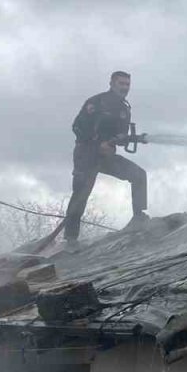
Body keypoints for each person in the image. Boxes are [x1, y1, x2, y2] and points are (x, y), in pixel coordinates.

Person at [61, 70, 148, 244]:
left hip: (106, 157)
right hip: (86, 155)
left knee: (139, 175)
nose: (125, 87)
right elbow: (77, 127)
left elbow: (119, 136)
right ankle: (70, 239)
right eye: (121, 84)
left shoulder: (124, 109)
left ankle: (138, 217)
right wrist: (97, 143)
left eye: (127, 84)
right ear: (112, 83)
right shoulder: (96, 102)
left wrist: (129, 138)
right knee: (81, 194)